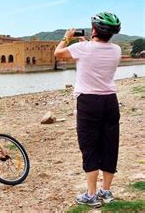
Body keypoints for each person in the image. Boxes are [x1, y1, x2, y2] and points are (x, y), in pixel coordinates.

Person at [54, 12, 122, 207]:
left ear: (94, 30)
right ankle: (106, 192)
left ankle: (91, 195)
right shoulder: (116, 50)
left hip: (88, 102)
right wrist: (87, 43)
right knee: (110, 145)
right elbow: (97, 52)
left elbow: (58, 53)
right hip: (110, 101)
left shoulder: (82, 48)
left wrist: (66, 38)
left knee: (89, 146)